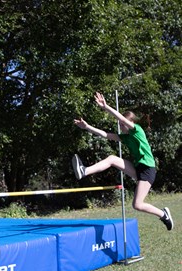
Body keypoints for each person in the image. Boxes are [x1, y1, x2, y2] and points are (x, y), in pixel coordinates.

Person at [72, 92, 174, 231]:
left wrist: (105, 106)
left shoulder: (137, 130)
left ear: (131, 123)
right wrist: (87, 127)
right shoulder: (125, 137)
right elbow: (105, 135)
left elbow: (120, 117)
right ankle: (84, 171)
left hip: (148, 170)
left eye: (122, 124)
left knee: (137, 204)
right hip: (138, 168)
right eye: (120, 125)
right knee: (112, 159)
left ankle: (163, 214)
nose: (120, 126)